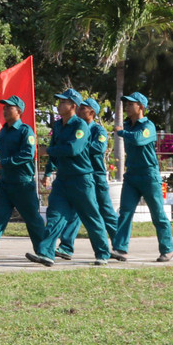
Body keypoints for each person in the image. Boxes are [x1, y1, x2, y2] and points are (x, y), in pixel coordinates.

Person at [27, 89, 113, 266]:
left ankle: (103, 253)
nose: (59, 105)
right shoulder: (58, 126)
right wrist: (48, 171)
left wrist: (47, 151)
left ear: (73, 106)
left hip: (81, 179)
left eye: (62, 102)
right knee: (54, 215)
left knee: (91, 217)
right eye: (58, 102)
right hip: (63, 179)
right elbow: (54, 150)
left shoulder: (80, 126)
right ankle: (46, 253)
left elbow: (74, 149)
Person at [0, 95, 50, 264]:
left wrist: (5, 163)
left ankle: (44, 252)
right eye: (4, 107)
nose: (5, 110)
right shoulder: (3, 132)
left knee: (32, 219)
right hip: (5, 183)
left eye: (9, 107)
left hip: (22, 183)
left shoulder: (25, 131)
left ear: (19, 111)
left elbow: (27, 154)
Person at [50, 97, 116, 261]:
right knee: (74, 213)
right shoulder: (71, 126)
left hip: (95, 175)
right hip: (76, 175)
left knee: (104, 212)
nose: (79, 110)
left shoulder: (98, 130)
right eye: (79, 107)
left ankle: (119, 244)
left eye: (83, 108)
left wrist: (80, 144)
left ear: (92, 112)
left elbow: (98, 148)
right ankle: (66, 246)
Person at [111, 92, 173, 263]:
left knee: (158, 214)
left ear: (141, 107)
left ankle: (167, 250)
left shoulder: (148, 126)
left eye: (131, 104)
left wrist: (122, 133)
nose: (128, 107)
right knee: (125, 212)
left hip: (148, 175)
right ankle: (120, 249)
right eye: (127, 104)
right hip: (131, 175)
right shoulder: (126, 125)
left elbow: (139, 140)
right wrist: (123, 130)